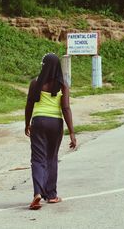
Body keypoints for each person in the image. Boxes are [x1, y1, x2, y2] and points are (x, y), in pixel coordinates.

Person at [24, 53, 77, 210]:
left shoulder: (35, 83)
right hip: (55, 123)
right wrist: (72, 133)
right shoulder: (62, 85)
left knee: (38, 159)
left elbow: (29, 105)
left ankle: (37, 193)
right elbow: (66, 108)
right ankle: (52, 195)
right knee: (51, 158)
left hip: (39, 122)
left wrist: (27, 123)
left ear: (43, 66)